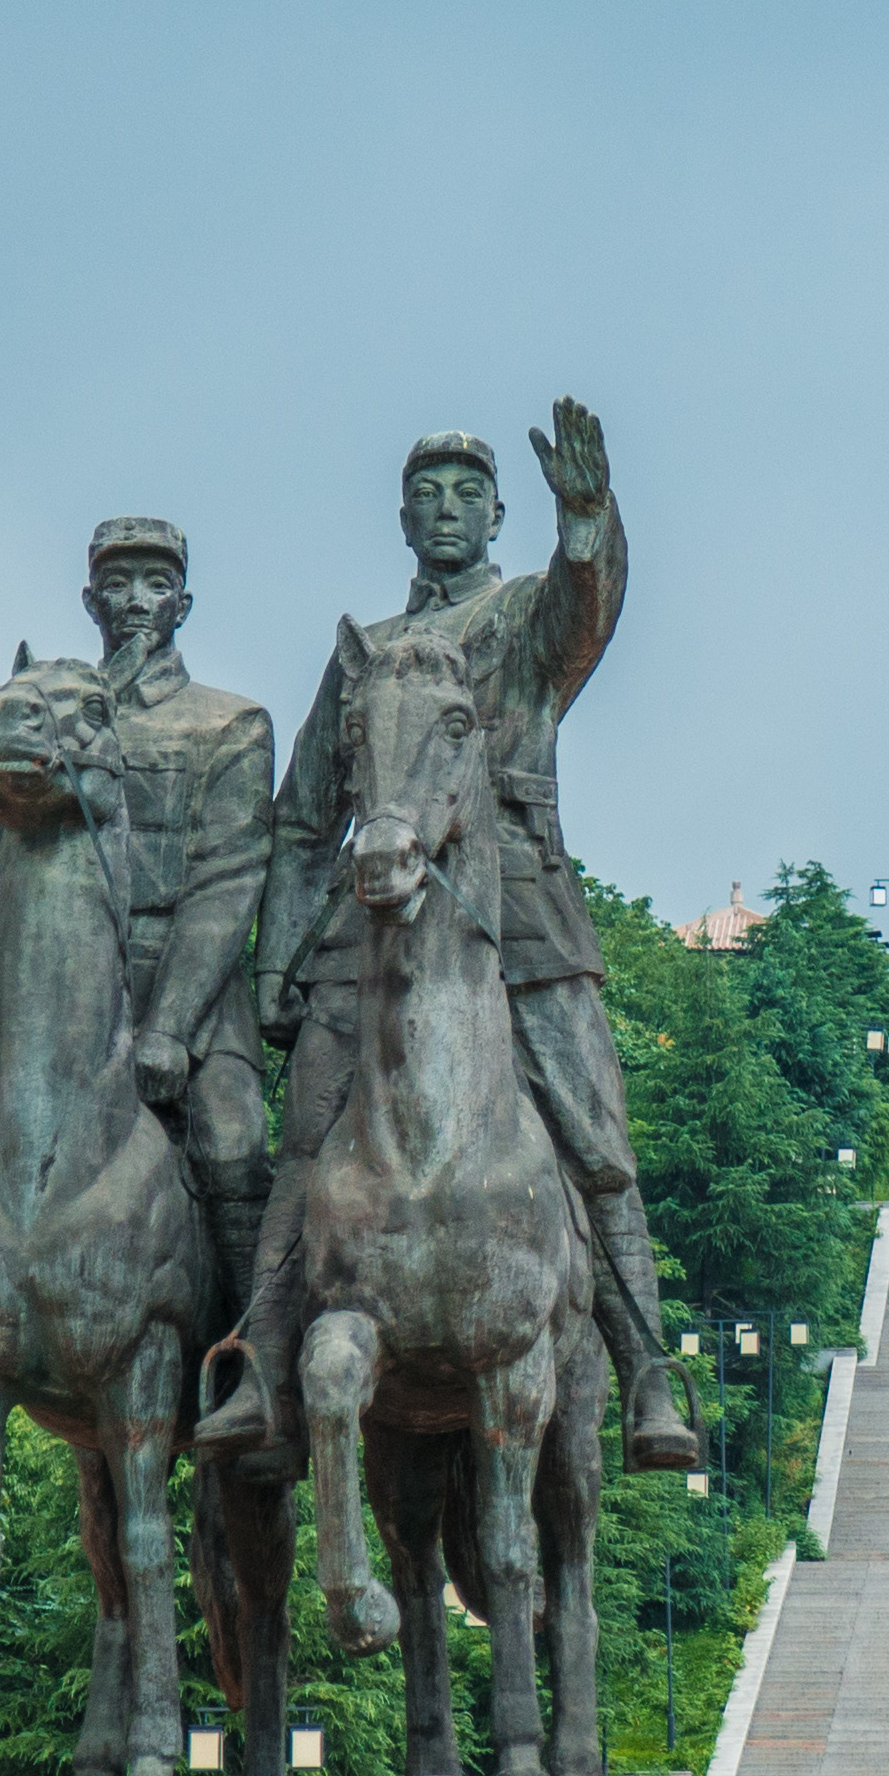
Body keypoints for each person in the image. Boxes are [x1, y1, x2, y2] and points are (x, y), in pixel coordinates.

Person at [196, 402, 701, 1471]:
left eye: (467, 494)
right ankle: (263, 1357)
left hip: (521, 912)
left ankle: (649, 1369)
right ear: (398, 519)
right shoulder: (367, 650)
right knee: (304, 1136)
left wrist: (586, 516)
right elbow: (302, 817)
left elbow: (584, 611)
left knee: (595, 1136)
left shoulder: (522, 619)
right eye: (424, 495)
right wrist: (282, 957)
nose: (445, 510)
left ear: (498, 514)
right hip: (369, 930)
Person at [0, 515, 273, 1271]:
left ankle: (252, 1358)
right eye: (117, 584)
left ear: (182, 604)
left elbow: (228, 883)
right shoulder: (38, 713)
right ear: (90, 600)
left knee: (232, 1145)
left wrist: (169, 1027)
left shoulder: (228, 723)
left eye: (156, 584)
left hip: (186, 993)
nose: (136, 599)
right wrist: (0, 785)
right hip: (52, 1001)